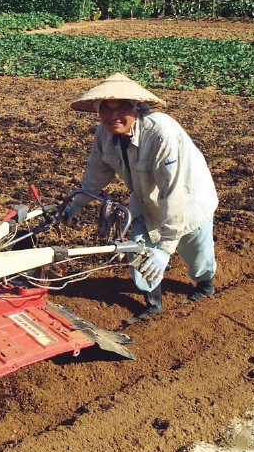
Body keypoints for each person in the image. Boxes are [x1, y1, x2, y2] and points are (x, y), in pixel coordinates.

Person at [64, 72, 218, 320]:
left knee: (195, 252)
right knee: (140, 250)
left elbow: (172, 190)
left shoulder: (161, 133)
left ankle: (204, 285)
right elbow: (96, 174)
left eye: (121, 107)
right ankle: (153, 304)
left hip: (188, 198)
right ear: (98, 111)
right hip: (144, 197)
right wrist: (76, 205)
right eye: (106, 109)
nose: (113, 116)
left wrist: (166, 249)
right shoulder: (104, 134)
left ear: (136, 108)